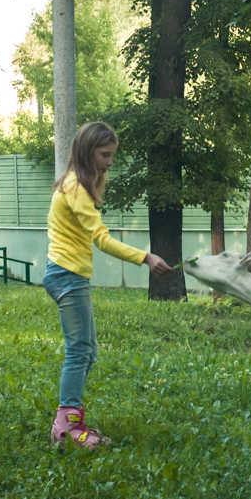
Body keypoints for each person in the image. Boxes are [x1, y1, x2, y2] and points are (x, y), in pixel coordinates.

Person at [43, 121, 172, 450]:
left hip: (70, 275)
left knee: (88, 353)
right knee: (78, 353)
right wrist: (145, 257)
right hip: (66, 276)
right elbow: (101, 239)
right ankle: (66, 427)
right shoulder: (74, 188)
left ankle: (71, 421)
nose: (110, 162)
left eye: (112, 155)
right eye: (105, 154)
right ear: (87, 152)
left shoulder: (76, 186)